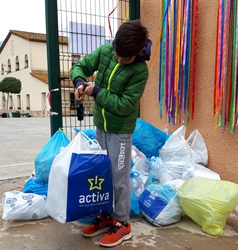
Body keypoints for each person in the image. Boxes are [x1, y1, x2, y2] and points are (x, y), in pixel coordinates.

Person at [70, 19, 152, 247]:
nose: (118, 59)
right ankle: (106, 216)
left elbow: (125, 105)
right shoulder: (107, 50)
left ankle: (123, 223)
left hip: (120, 131)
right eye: (116, 52)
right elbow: (81, 66)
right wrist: (79, 81)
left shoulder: (139, 71)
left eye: (124, 58)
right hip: (101, 125)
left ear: (137, 52)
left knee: (119, 176)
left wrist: (96, 91)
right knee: (104, 173)